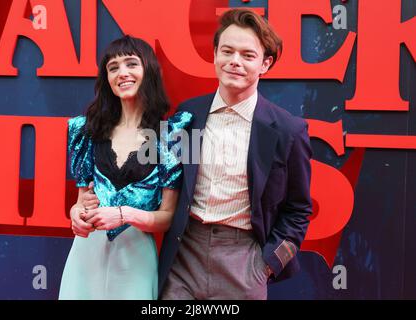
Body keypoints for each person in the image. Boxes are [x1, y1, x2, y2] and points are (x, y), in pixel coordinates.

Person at [157, 9, 312, 300]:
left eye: (247, 55)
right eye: (227, 51)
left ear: (265, 63)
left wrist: (266, 265)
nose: (234, 62)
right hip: (183, 255)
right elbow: (168, 182)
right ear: (215, 54)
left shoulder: (287, 131)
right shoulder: (188, 115)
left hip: (244, 262)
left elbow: (299, 210)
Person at [59, 35, 193, 300]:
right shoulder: (86, 130)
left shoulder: (173, 133)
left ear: (149, 70)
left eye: (132, 64)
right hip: (87, 254)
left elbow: (169, 218)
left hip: (136, 258)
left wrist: (124, 215)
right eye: (113, 67)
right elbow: (81, 201)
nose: (122, 73)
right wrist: (75, 214)